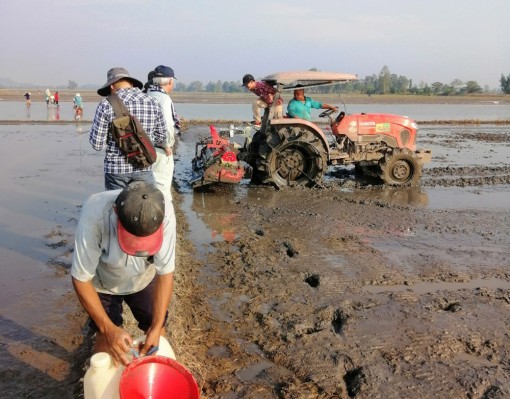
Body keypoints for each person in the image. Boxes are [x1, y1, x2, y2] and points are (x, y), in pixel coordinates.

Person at [71, 181, 176, 366]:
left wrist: (156, 326)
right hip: (104, 282)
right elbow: (81, 278)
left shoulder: (163, 211)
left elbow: (165, 273)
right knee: (105, 338)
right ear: (116, 212)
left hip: (143, 278)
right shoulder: (94, 214)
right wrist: (108, 328)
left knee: (156, 329)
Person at [89, 67, 168, 190]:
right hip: (144, 166)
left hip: (116, 171)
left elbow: (97, 145)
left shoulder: (105, 105)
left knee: (115, 206)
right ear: (131, 83)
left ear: (111, 86)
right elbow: (162, 137)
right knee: (149, 205)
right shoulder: (153, 102)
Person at [146, 65, 178, 196]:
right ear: (170, 81)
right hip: (159, 149)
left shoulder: (146, 95)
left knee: (148, 186)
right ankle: (163, 214)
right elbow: (167, 125)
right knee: (162, 188)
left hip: (145, 148)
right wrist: (167, 146)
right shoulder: (164, 99)